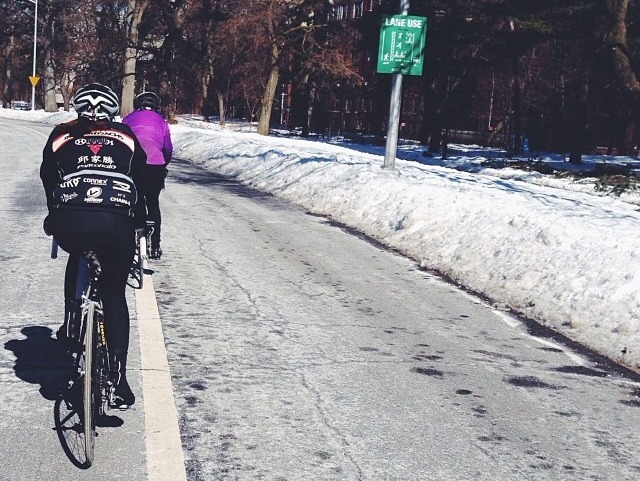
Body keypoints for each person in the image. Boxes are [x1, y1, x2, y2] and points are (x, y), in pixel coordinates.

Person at [40, 83, 148, 408]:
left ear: (77, 109)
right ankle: (118, 380)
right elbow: (141, 182)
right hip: (116, 222)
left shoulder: (61, 135)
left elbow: (48, 175)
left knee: (78, 253)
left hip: (71, 219)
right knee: (114, 294)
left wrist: (54, 212)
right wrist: (140, 223)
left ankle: (73, 320)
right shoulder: (127, 137)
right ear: (114, 112)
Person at [122, 92, 173, 259]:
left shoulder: (128, 119)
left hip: (132, 164)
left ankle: (130, 239)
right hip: (155, 165)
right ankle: (155, 245)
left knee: (133, 200)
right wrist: (163, 164)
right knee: (153, 203)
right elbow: (168, 148)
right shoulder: (162, 122)